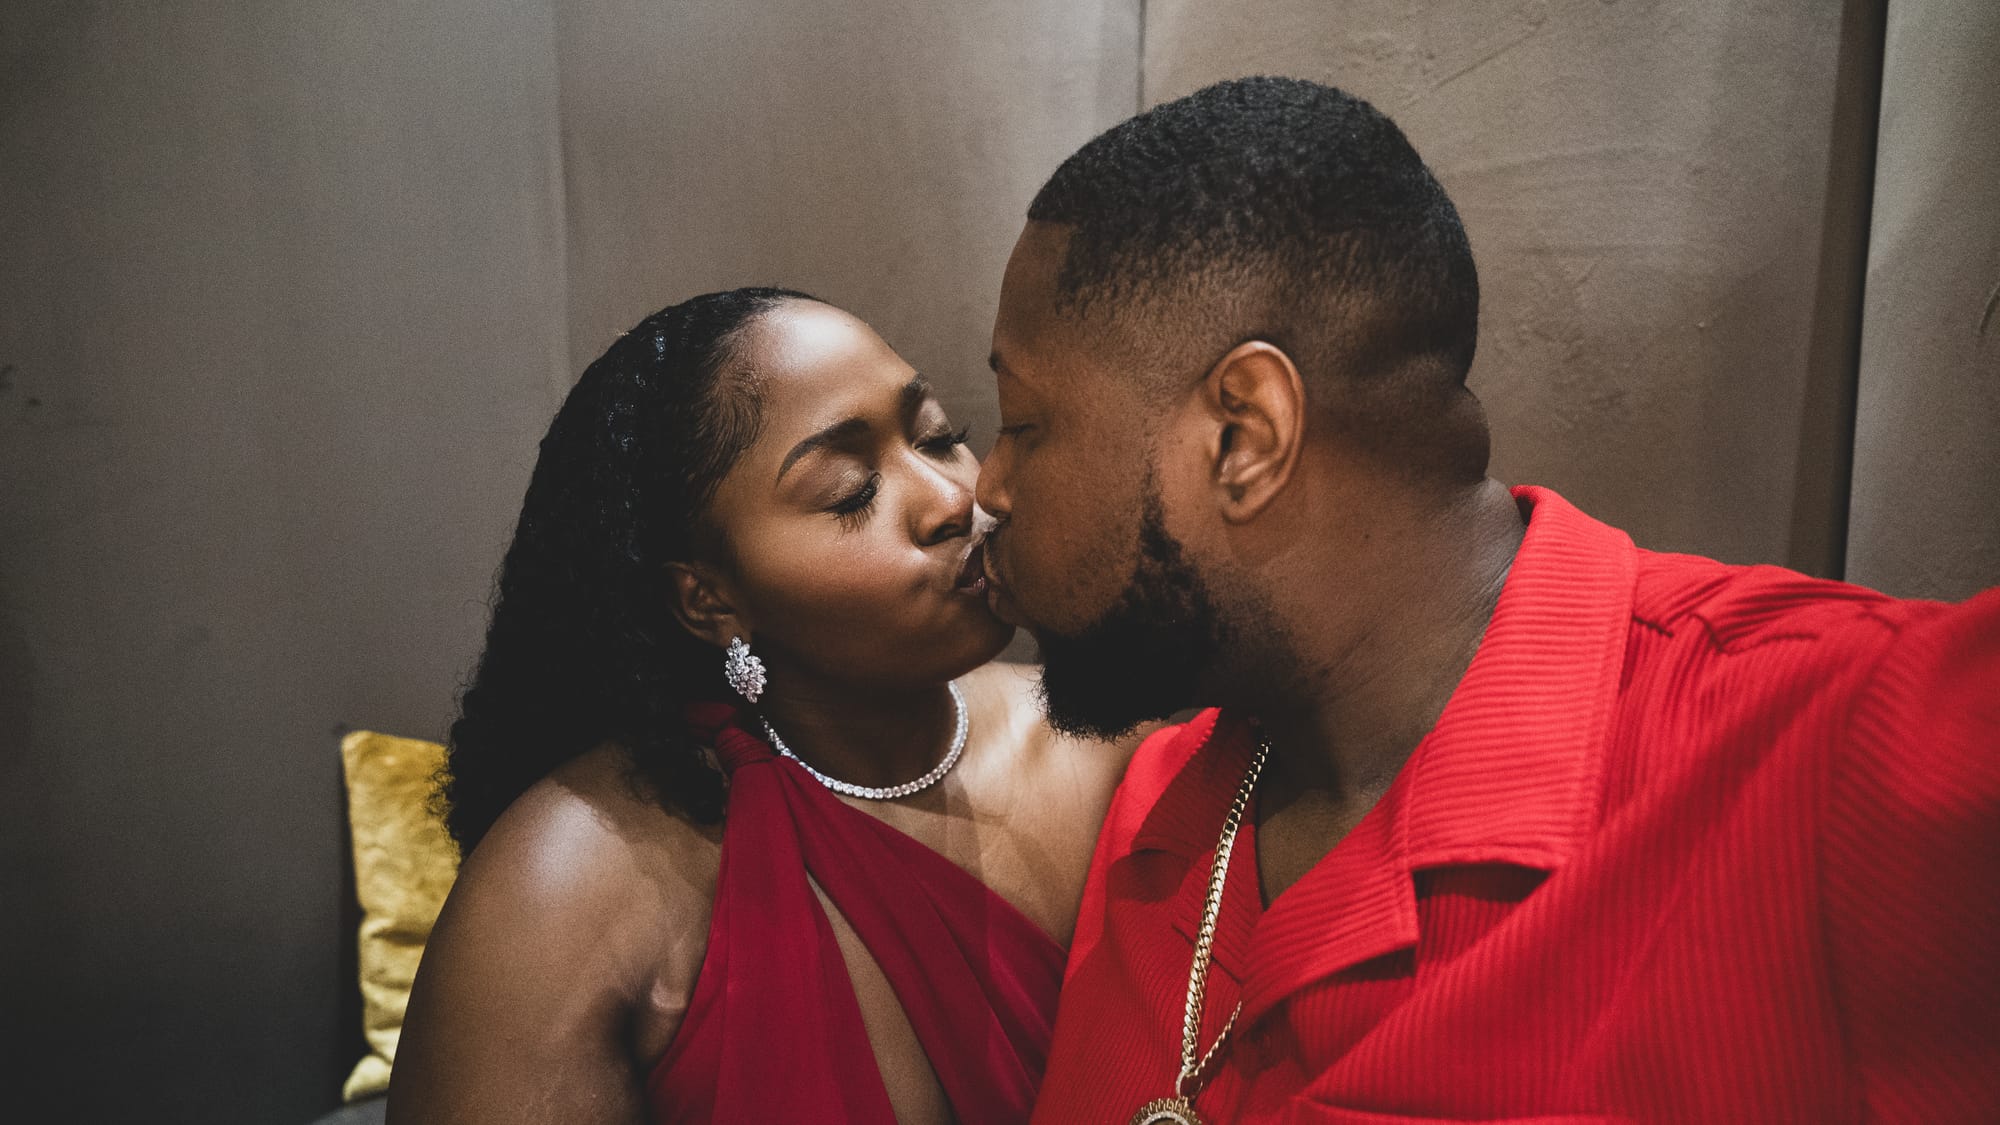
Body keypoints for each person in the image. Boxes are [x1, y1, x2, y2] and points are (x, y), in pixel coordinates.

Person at [975, 76, 2000, 1123]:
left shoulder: (1829, 741)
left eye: (1023, 425)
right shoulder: (1157, 811)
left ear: (1245, 435)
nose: (988, 490)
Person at [389, 288, 1134, 1125]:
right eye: (852, 491)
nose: (953, 498)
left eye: (937, 435)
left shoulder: (1114, 757)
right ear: (709, 599)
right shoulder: (573, 880)